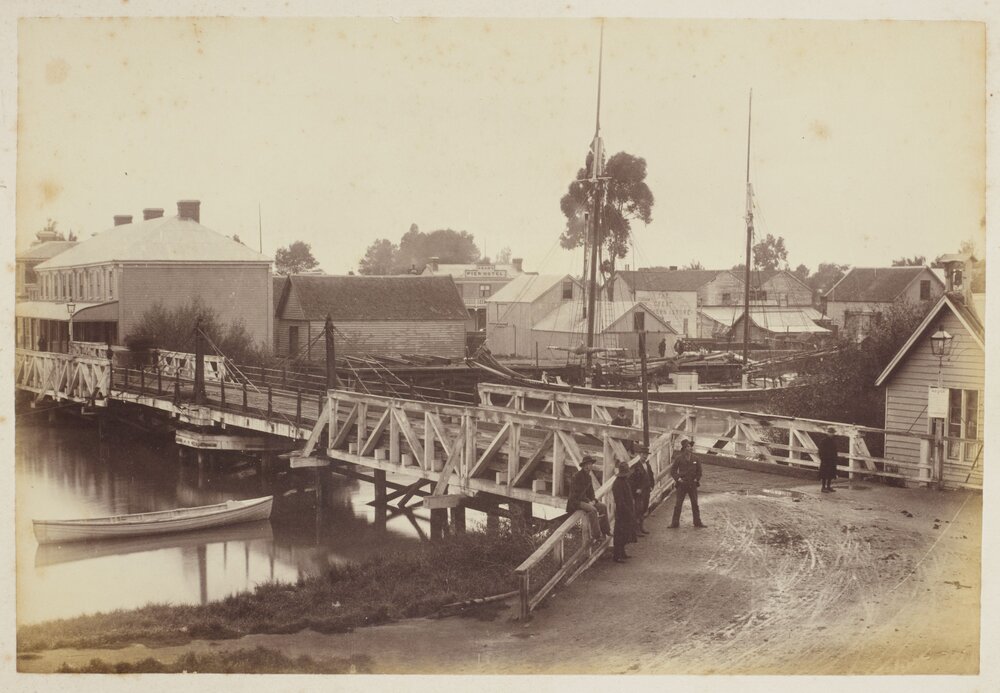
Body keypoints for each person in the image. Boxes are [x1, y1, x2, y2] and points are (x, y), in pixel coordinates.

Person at [566, 455, 610, 540]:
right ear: (583, 466)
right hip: (575, 502)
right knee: (593, 510)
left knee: (603, 507)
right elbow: (577, 494)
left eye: (590, 464)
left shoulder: (589, 477)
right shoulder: (577, 477)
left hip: (585, 500)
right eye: (587, 464)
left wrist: (593, 500)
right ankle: (596, 535)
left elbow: (591, 493)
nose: (589, 466)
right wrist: (588, 502)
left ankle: (605, 530)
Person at [669, 439, 706, 528]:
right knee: (678, 504)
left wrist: (697, 479)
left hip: (692, 484)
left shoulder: (696, 459)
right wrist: (678, 479)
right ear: (684, 448)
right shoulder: (679, 458)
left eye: (691, 446)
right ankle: (674, 523)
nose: (690, 448)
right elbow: (673, 470)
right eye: (688, 446)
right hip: (682, 485)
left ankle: (697, 522)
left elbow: (699, 471)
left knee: (695, 504)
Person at [611, 461, 637, 563]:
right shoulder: (617, 484)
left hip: (627, 510)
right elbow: (620, 502)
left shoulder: (624, 481)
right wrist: (628, 511)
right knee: (619, 534)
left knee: (625, 533)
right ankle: (616, 556)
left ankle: (622, 553)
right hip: (622, 512)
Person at [630, 450, 653, 535]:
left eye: (646, 454)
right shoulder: (635, 466)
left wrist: (651, 485)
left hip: (646, 490)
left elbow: (651, 476)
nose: (645, 456)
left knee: (644, 508)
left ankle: (642, 526)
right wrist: (636, 489)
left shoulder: (647, 465)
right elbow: (632, 480)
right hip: (639, 492)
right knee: (638, 509)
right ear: (639, 455)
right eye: (643, 454)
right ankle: (636, 529)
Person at [818, 426, 839, 493]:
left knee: (831, 473)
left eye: (833, 433)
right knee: (824, 474)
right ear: (828, 433)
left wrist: (835, 459)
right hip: (825, 460)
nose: (832, 434)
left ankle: (828, 486)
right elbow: (820, 451)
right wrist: (822, 459)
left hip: (832, 460)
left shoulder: (833, 441)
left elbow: (835, 451)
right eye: (831, 433)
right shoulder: (824, 441)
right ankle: (823, 487)